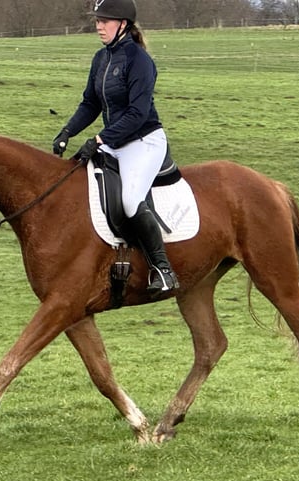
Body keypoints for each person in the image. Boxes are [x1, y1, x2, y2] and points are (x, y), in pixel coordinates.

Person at [52, 0, 179, 296]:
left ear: (123, 24)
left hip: (143, 141)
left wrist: (99, 140)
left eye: (105, 20)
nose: (99, 25)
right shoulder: (101, 59)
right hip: (114, 141)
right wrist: (66, 132)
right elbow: (90, 103)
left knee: (131, 201)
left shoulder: (140, 61)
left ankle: (163, 269)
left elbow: (137, 113)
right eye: (97, 20)